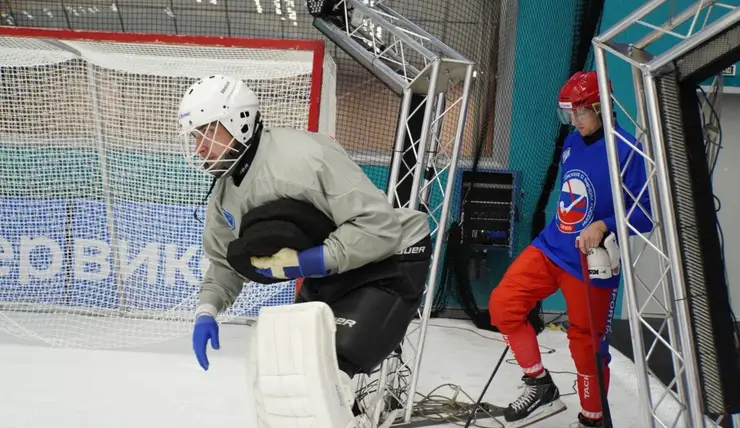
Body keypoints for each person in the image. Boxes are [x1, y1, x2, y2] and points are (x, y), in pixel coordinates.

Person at [178, 75, 432, 428]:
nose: (199, 146)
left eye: (206, 132)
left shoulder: (305, 157)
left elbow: (380, 227)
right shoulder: (224, 195)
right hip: (330, 269)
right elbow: (224, 263)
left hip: (390, 258)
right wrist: (207, 311)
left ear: (238, 122)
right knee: (288, 373)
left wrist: (304, 262)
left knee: (329, 373)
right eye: (195, 136)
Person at [488, 71, 654, 428]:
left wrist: (604, 223)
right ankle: (539, 384)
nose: (575, 120)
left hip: (592, 262)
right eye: (570, 113)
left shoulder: (628, 150)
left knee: (587, 345)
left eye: (581, 111)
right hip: (552, 247)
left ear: (601, 106)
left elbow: (646, 215)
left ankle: (593, 419)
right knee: (503, 305)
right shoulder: (571, 144)